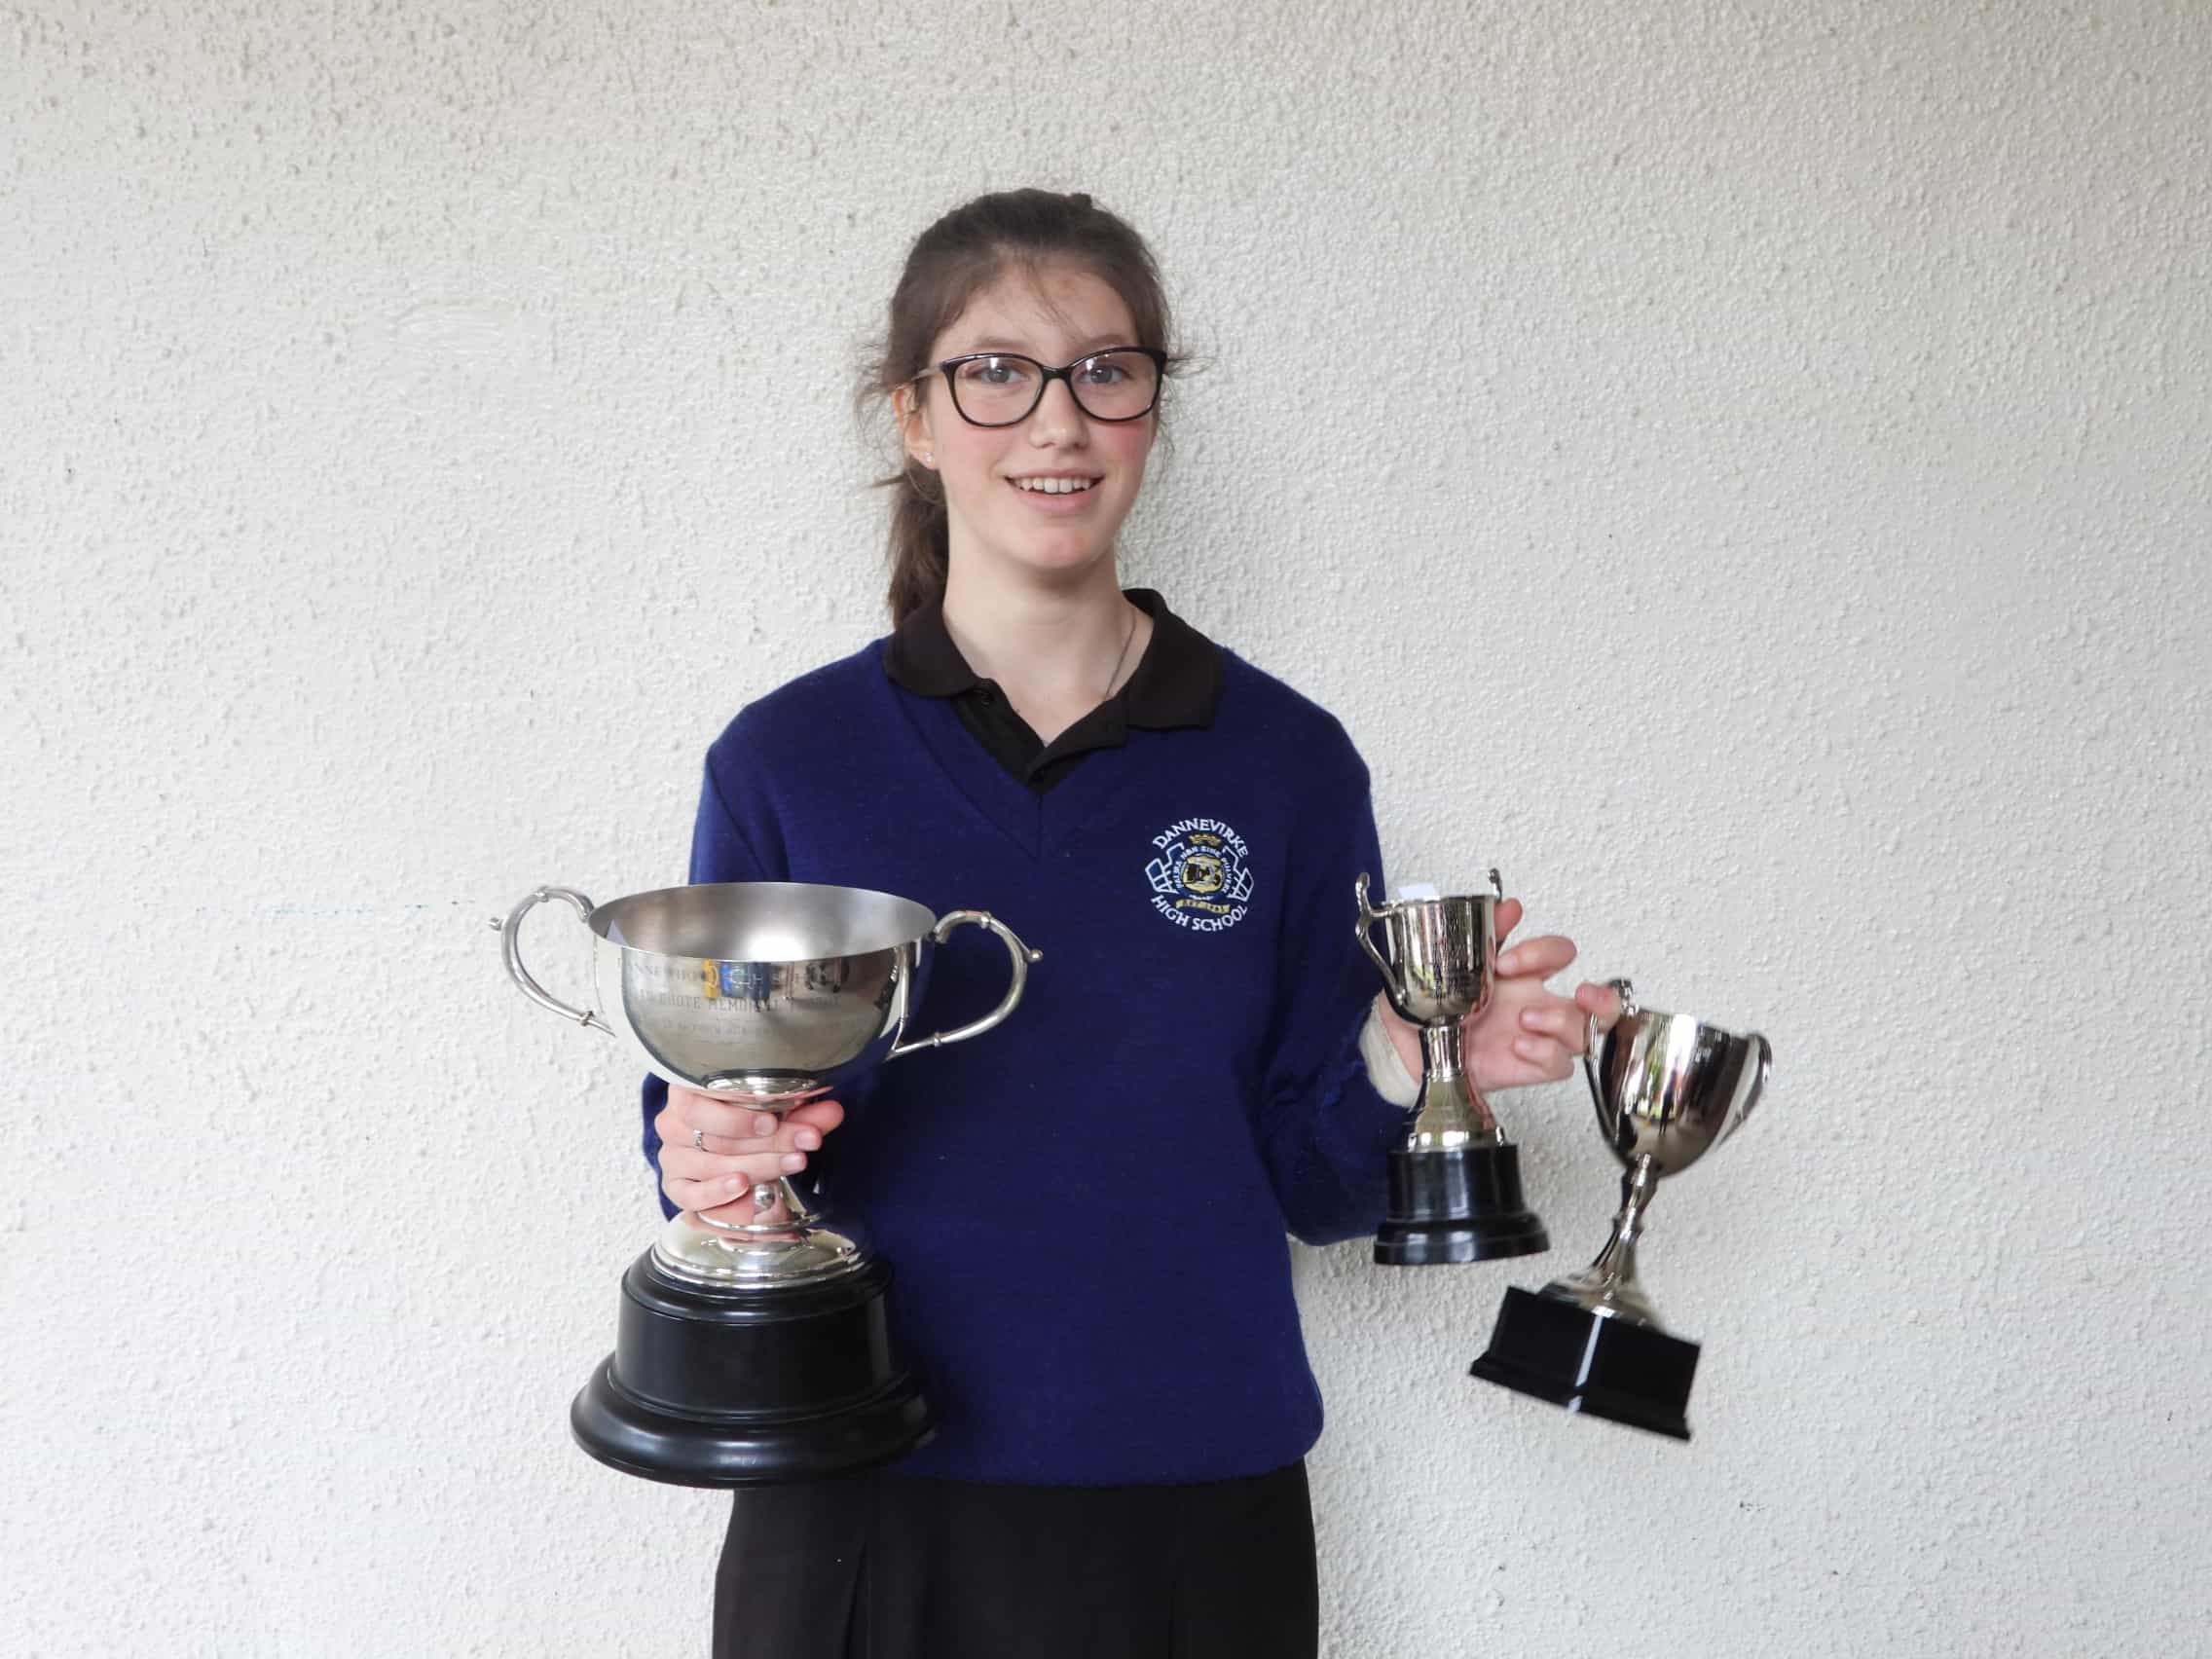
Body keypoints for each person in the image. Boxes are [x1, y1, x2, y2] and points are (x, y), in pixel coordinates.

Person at [640, 187, 1623, 1659]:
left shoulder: (1286, 764)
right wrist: (704, 1157)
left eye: (1106, 371)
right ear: (914, 416)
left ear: (1152, 410)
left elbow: (1320, 1187)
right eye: (996, 372)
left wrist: (1418, 1061)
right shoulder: (788, 760)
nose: (1058, 421)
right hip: (855, 1489)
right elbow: (717, 1124)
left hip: (1191, 1508)